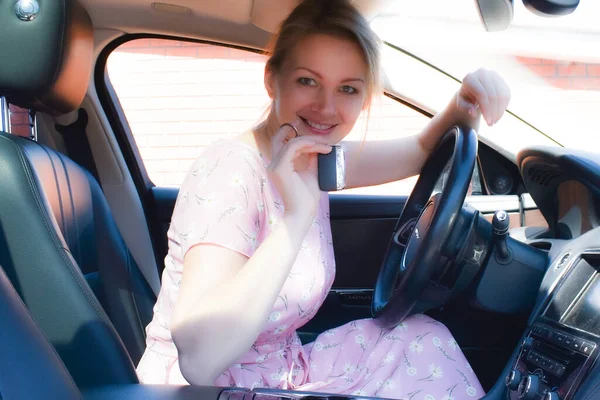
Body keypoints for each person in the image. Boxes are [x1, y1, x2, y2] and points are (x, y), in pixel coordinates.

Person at [136, 0, 511, 398]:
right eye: (307, 81)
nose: (326, 107)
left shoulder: (313, 158)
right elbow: (200, 359)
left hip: (280, 373)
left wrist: (468, 100)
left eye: (347, 88)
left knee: (419, 339)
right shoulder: (230, 170)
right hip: (207, 390)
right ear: (271, 79)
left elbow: (421, 149)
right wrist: (296, 218)